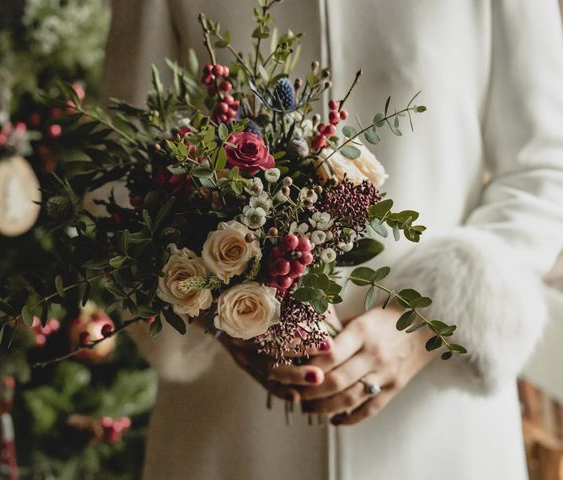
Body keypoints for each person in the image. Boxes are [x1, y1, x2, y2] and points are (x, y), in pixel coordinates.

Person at [103, 1, 563, 478]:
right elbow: (125, 169)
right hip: (232, 426)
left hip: (436, 422)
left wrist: (425, 324)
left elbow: (545, 171)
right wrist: (221, 318)